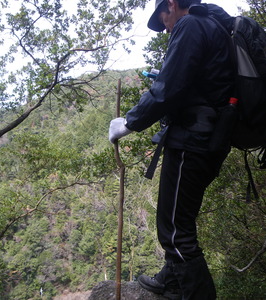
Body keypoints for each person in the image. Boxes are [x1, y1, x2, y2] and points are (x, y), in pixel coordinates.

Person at [109, 0, 235, 299]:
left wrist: (129, 122)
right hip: (211, 138)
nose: (164, 25)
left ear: (173, 4)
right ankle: (172, 279)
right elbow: (197, 81)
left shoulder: (190, 24)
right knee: (178, 220)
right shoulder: (215, 26)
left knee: (175, 230)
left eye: (162, 16)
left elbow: (169, 88)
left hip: (193, 140)